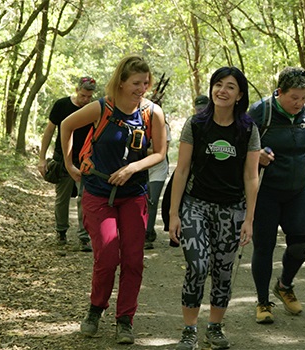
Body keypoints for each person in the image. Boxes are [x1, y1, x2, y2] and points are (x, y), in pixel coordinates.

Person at [60, 55, 166, 344]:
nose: (142, 88)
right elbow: (66, 125)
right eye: (135, 83)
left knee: (133, 259)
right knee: (107, 256)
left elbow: (160, 152)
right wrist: (69, 165)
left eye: (145, 83)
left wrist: (133, 167)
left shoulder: (152, 112)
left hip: (134, 194)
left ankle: (125, 320)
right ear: (120, 81)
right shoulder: (101, 107)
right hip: (97, 191)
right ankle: (96, 309)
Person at [168, 67, 260, 350]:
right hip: (196, 205)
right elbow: (182, 170)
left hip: (232, 210)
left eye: (230, 86)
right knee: (197, 265)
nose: (222, 91)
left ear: (239, 94)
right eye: (218, 84)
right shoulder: (195, 124)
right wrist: (173, 214)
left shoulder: (248, 129)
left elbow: (251, 176)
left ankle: (215, 328)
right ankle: (189, 330)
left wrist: (249, 219)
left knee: (222, 270)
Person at [248, 67, 305, 324]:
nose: (299, 103)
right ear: (280, 92)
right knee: (264, 246)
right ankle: (263, 302)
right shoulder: (261, 112)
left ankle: (285, 285)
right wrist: (258, 155)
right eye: (294, 97)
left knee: (301, 242)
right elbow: (242, 144)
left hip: (297, 191)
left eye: (304, 97)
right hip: (265, 191)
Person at [37, 76, 96, 251]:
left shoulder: (94, 109)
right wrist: (42, 158)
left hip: (86, 159)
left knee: (84, 198)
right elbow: (48, 132)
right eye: (83, 95)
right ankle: (61, 231)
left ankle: (84, 237)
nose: (85, 100)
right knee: (62, 198)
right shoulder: (62, 105)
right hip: (63, 158)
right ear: (77, 90)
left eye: (89, 97)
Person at [144, 112, 172, 250]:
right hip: (142, 167)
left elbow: (162, 151)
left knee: (152, 201)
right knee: (141, 201)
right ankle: (144, 229)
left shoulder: (164, 127)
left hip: (158, 168)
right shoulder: (138, 124)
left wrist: (143, 151)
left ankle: (147, 234)